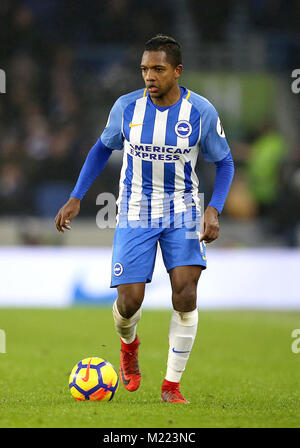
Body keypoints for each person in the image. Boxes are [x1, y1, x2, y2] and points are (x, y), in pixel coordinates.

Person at [55, 35, 234, 403]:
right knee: (129, 303)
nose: (149, 76)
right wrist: (76, 198)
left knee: (185, 294)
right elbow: (102, 148)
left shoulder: (200, 112)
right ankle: (128, 345)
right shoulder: (127, 108)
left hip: (183, 210)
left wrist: (213, 207)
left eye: (158, 69)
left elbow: (225, 162)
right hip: (136, 209)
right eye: (144, 69)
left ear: (177, 71)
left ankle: (171, 386)